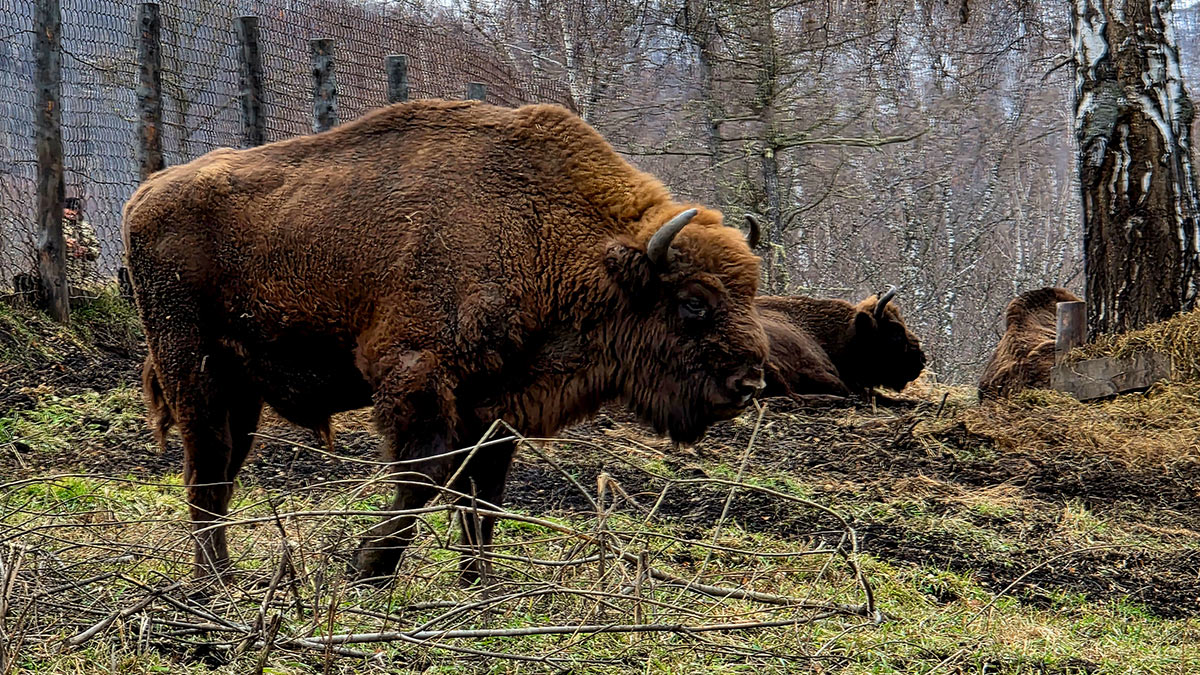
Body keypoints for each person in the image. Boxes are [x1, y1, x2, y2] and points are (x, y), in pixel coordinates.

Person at [62, 196, 100, 289]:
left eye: (75, 209)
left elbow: (96, 250)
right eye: (68, 209)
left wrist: (86, 250)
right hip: (60, 273)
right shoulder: (54, 225)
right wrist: (63, 243)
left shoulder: (86, 227)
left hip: (82, 277)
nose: (72, 212)